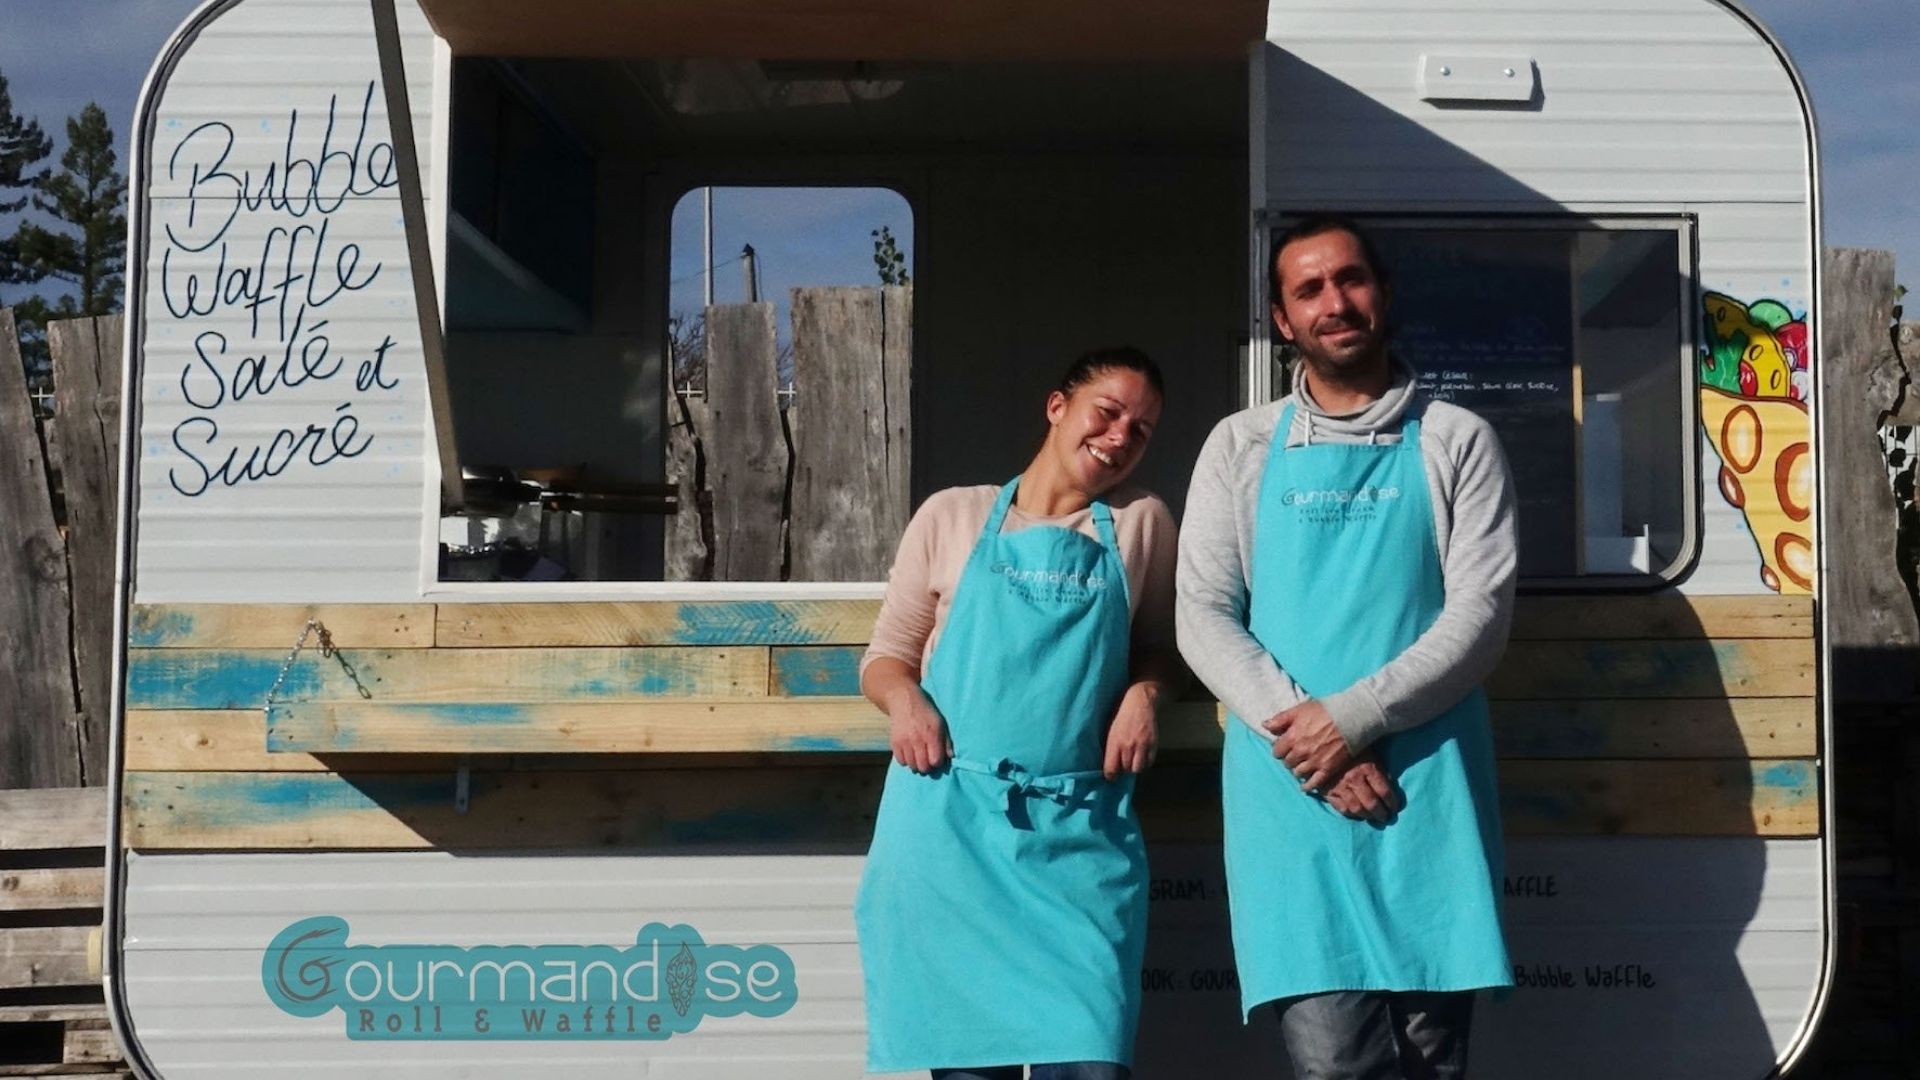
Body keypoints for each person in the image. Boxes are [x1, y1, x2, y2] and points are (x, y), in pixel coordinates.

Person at [1176, 216, 1516, 1079]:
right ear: (1282, 321)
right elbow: (1203, 616)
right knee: (1335, 1066)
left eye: (1351, 280)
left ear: (1383, 293)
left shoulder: (1457, 440)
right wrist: (1316, 747)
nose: (1337, 302)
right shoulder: (1241, 446)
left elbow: (1479, 618)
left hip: (1425, 792)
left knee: (1434, 1061)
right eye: (1309, 289)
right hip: (1292, 795)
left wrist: (1354, 717)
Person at [855, 347, 1181, 1080]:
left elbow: (1161, 648)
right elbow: (886, 658)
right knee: (967, 1068)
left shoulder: (1141, 524)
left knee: (1090, 1058)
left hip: (1077, 835)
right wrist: (905, 702)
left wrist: (1145, 695)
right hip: (948, 832)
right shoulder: (953, 514)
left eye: (1143, 429)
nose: (1122, 436)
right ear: (1057, 406)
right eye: (1110, 412)